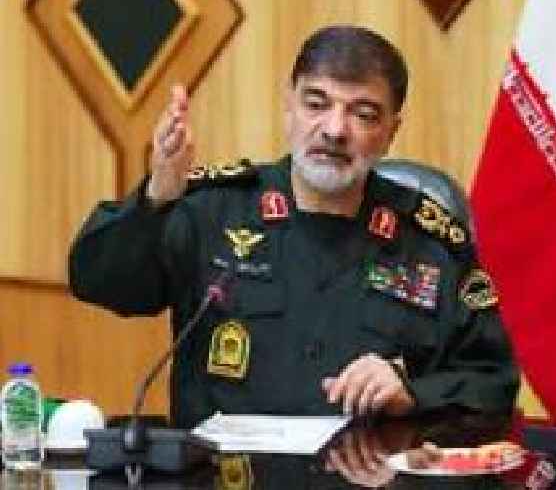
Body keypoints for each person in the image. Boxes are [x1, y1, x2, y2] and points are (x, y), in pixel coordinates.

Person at [69, 25, 519, 428]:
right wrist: (156, 198)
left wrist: (411, 392)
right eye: (316, 104)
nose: (335, 130)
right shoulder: (213, 211)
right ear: (289, 107)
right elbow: (100, 283)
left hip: (367, 477)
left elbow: (493, 383)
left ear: (390, 132)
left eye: (363, 114)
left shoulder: (430, 243)